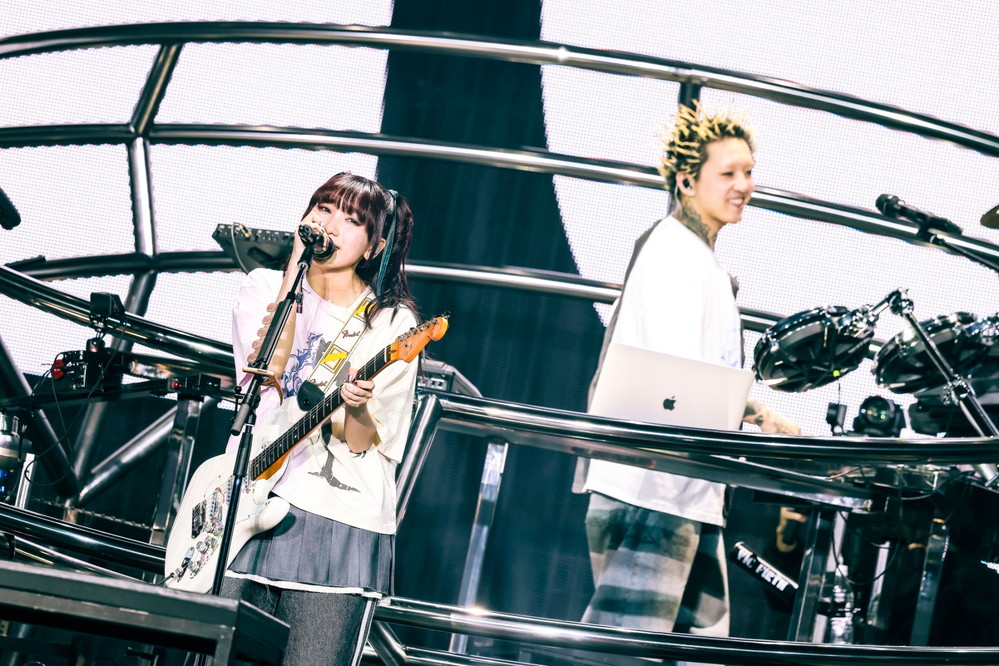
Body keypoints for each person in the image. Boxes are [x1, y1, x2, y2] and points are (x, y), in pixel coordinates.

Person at [577, 103, 800, 638]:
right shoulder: (673, 253)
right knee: (627, 651)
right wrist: (753, 420)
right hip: (650, 492)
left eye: (748, 171)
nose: (743, 185)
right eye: (728, 173)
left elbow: (690, 377)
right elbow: (673, 381)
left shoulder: (698, 259)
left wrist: (758, 415)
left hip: (682, 492)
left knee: (696, 648)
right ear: (686, 181)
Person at [223, 172, 419, 665]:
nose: (329, 223)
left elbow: (363, 442)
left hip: (337, 515)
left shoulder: (390, 322)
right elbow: (265, 374)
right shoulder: (263, 287)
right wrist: (295, 269)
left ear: (374, 248)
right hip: (249, 498)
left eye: (350, 220)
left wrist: (356, 405)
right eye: (324, 208)